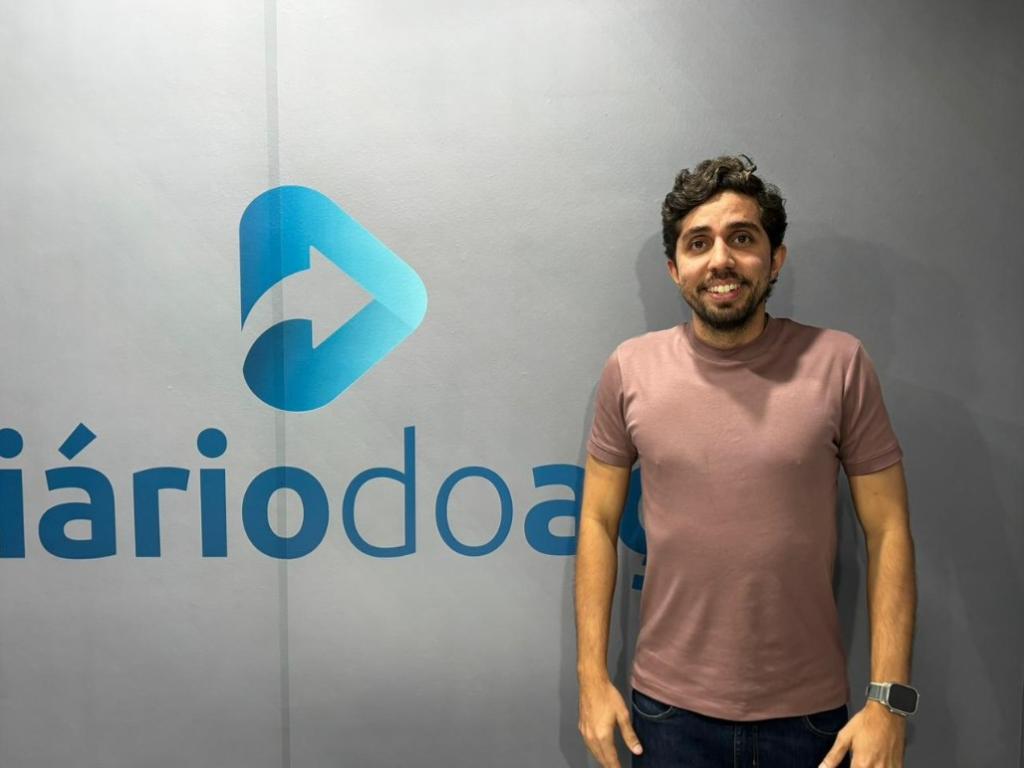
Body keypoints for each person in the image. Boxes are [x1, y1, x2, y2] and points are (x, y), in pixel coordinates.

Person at [574, 155, 917, 768]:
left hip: (810, 723)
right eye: (698, 243)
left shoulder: (839, 364)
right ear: (674, 269)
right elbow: (597, 521)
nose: (720, 260)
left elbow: (888, 529)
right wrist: (591, 680)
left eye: (741, 238)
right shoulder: (630, 369)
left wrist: (888, 703)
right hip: (666, 717)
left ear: (774, 258)